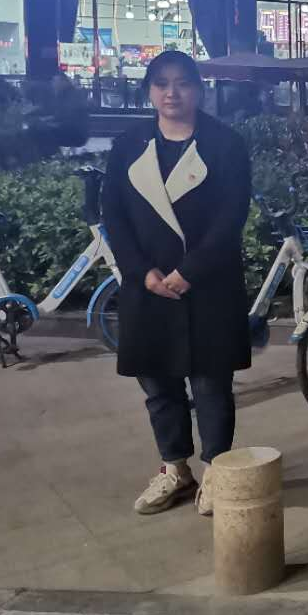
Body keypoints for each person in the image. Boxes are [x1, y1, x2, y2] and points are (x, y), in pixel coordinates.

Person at [101, 50, 252, 516]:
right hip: (148, 286)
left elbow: (231, 218)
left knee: (211, 386)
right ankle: (175, 469)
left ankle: (216, 471)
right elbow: (114, 215)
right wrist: (140, 271)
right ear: (149, 91)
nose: (172, 93)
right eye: (162, 83)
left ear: (199, 90)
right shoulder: (128, 145)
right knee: (159, 384)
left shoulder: (225, 145)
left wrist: (190, 271)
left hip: (208, 284)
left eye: (183, 83)